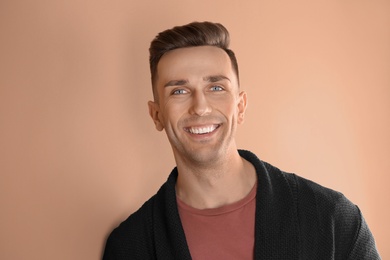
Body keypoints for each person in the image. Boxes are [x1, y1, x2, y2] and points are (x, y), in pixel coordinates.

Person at [103, 21, 380, 259]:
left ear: (240, 106)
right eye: (179, 91)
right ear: (156, 115)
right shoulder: (130, 246)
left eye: (216, 87)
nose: (200, 107)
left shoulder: (332, 220)